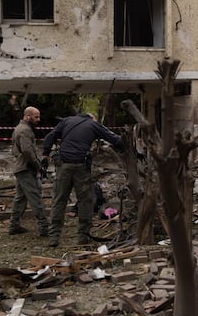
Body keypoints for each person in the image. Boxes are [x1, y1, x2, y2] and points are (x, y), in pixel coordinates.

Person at [42, 113, 125, 247]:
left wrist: (45, 155)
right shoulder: (93, 124)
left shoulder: (66, 121)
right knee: (85, 201)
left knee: (59, 200)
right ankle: (83, 236)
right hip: (81, 167)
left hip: (63, 166)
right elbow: (115, 139)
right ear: (91, 118)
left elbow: (49, 137)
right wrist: (127, 148)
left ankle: (54, 237)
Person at [9, 106, 50, 237]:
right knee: (35, 197)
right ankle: (44, 227)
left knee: (20, 198)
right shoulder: (25, 130)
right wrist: (38, 166)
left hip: (23, 168)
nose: (39, 119)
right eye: (36, 117)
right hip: (25, 169)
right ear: (28, 117)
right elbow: (27, 151)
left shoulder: (22, 128)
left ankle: (14, 226)